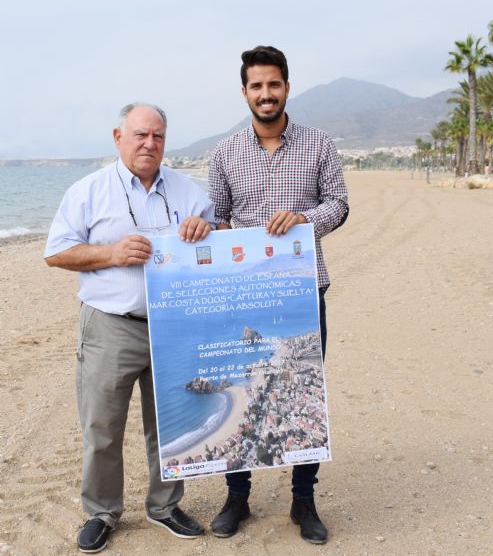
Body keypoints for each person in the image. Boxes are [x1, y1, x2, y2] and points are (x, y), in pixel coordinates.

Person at [45, 103, 214, 553]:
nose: (149, 144)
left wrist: (208, 228)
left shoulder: (187, 191)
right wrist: (111, 254)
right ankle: (102, 512)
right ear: (118, 136)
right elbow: (57, 252)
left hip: (173, 326)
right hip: (110, 327)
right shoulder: (89, 191)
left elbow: (216, 248)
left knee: (171, 424)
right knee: (102, 426)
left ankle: (165, 506)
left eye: (157, 136)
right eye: (140, 135)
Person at [208, 46, 349, 544]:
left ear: (287, 87)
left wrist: (305, 219)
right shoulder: (224, 153)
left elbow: (339, 204)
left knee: (302, 392)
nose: (265, 94)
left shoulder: (318, 144)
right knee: (240, 387)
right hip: (244, 293)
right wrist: (220, 235)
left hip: (303, 292)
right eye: (256, 86)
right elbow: (218, 219)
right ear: (244, 91)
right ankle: (237, 496)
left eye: (273, 85)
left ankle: (303, 501)